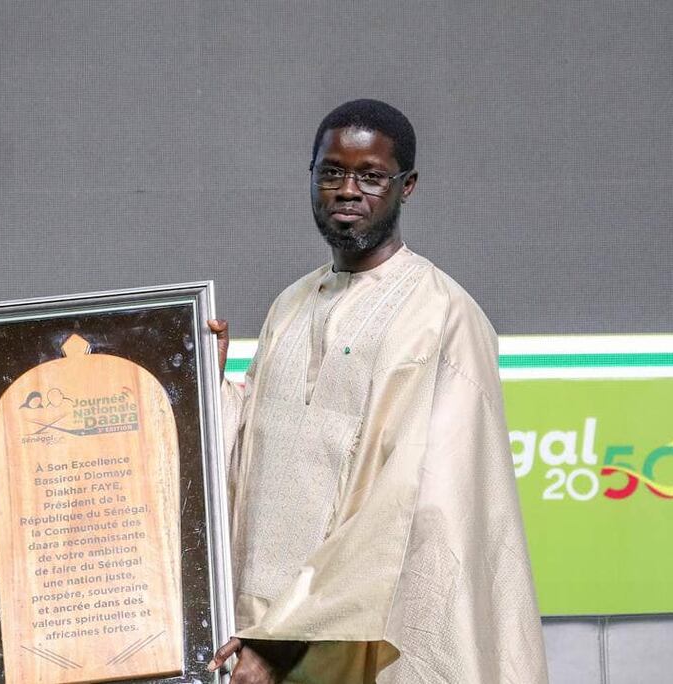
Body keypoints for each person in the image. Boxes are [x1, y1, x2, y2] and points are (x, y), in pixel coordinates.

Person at [207, 100, 547, 683]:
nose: (347, 190)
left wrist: (285, 642)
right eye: (331, 172)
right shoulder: (290, 305)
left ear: (406, 186)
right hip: (252, 632)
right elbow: (252, 455)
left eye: (370, 175)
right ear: (311, 177)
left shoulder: (441, 315)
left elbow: (409, 505)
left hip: (350, 641)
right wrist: (207, 385)